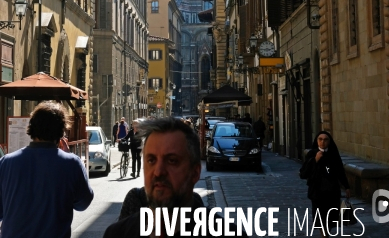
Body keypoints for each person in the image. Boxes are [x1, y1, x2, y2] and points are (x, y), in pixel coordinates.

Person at [103, 117, 242, 238]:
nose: (158, 172)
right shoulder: (116, 234)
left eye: (172, 161)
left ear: (195, 172)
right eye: (151, 160)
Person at [0, 101, 93, 238]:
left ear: (31, 128)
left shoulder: (6, 162)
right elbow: (83, 203)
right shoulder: (71, 163)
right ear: (61, 132)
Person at [299, 131, 350, 237]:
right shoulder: (312, 154)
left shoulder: (333, 154)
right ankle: (324, 235)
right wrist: (315, 160)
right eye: (320, 139)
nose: (323, 142)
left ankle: (327, 233)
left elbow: (340, 171)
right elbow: (303, 173)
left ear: (329, 141)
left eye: (325, 140)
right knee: (320, 217)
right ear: (317, 141)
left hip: (332, 191)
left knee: (331, 216)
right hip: (317, 192)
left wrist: (347, 187)